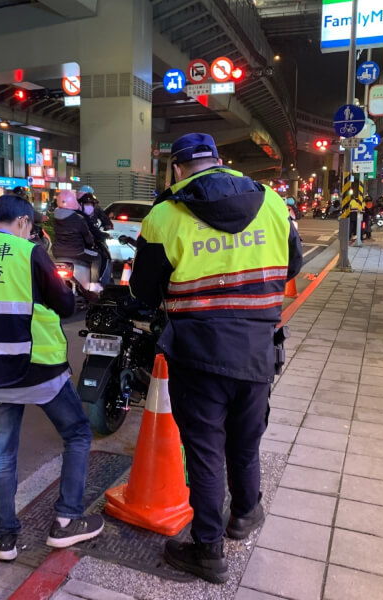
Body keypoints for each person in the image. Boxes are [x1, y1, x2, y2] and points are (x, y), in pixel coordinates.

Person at [130, 133, 302, 583]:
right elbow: (294, 265)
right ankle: (245, 513)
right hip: (257, 350)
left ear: (177, 169)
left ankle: (208, 551)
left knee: (205, 453)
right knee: (245, 442)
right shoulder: (271, 202)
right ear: (219, 161)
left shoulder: (165, 215)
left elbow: (142, 291)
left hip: (197, 355)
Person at [0, 194, 104, 562]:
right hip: (39, 365)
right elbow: (65, 306)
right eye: (30, 227)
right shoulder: (28, 252)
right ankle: (67, 521)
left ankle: (5, 540)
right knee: (77, 433)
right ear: (22, 223)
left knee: (2, 454)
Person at [51, 189, 101, 289]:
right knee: (97, 257)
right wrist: (92, 241)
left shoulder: (55, 217)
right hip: (77, 251)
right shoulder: (78, 218)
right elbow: (88, 238)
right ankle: (95, 287)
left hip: (57, 252)